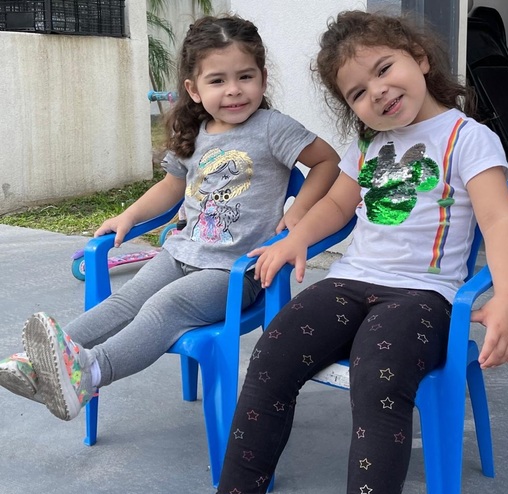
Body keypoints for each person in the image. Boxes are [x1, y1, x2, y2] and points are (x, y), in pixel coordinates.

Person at [164, 9, 508, 494]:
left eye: (384, 69)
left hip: (422, 294)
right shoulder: (370, 141)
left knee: (379, 374)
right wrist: (295, 238)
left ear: (420, 59)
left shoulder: (467, 138)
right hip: (351, 281)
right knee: (272, 351)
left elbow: (501, 220)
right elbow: (337, 204)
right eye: (357, 92)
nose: (377, 92)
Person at [0, 15, 340, 422]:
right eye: (218, 80)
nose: (234, 90)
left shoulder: (272, 128)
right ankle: (36, 363)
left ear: (262, 79)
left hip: (234, 273)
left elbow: (327, 162)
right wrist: (128, 216)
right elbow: (170, 186)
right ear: (194, 90)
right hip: (181, 254)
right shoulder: (196, 132)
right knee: (126, 300)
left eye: (245, 77)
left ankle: (90, 374)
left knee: (164, 306)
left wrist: (299, 212)